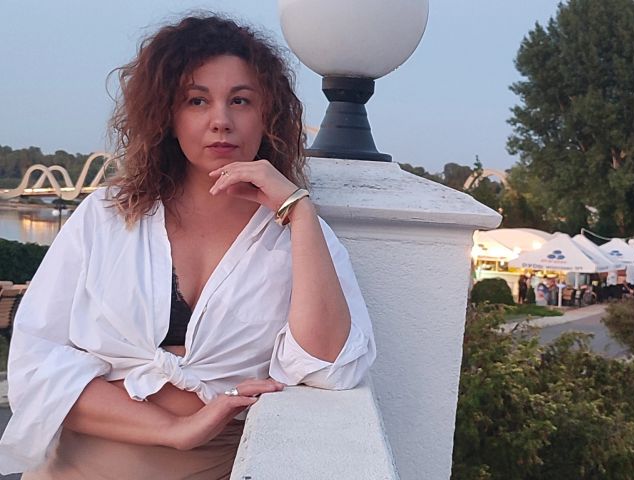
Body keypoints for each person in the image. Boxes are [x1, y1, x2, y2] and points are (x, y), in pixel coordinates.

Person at [0, 14, 375, 479]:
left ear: (268, 115)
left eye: (240, 100)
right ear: (167, 116)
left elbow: (329, 367)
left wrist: (298, 211)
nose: (221, 121)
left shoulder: (294, 236)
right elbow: (38, 362)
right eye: (197, 101)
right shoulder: (107, 217)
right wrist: (175, 429)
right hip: (75, 467)